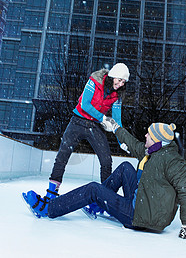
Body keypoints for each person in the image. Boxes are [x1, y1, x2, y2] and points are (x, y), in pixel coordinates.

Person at [23, 118, 186, 240]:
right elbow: (133, 144)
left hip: (140, 217)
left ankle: (48, 209)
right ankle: (95, 205)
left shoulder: (171, 160)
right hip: (142, 203)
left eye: (149, 135)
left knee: (93, 189)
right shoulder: (153, 152)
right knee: (125, 168)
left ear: (157, 140)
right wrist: (115, 127)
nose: (145, 136)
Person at [23, 63, 130, 211]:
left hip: (94, 126)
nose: (120, 84)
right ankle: (51, 195)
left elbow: (117, 120)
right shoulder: (94, 81)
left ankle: (105, 200)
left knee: (106, 160)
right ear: (112, 76)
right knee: (63, 156)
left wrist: (122, 141)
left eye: (124, 82)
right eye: (119, 79)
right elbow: (85, 105)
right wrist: (103, 118)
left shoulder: (117, 96)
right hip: (78, 121)